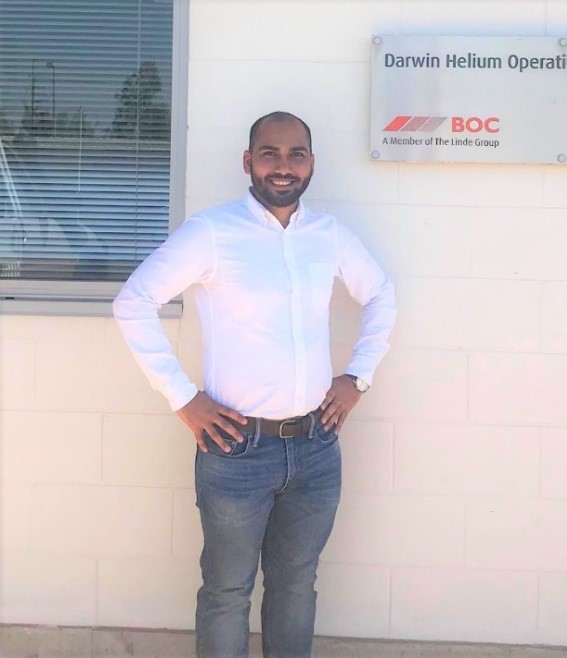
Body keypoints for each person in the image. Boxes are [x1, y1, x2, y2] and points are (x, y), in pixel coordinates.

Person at [113, 111, 397, 658]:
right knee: (226, 592)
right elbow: (134, 302)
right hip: (236, 449)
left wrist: (359, 376)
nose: (283, 166)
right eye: (270, 153)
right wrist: (184, 398)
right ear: (249, 162)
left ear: (311, 163)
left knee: (295, 586)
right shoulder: (213, 233)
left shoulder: (327, 235)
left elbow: (381, 293)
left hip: (315, 447)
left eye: (296, 154)